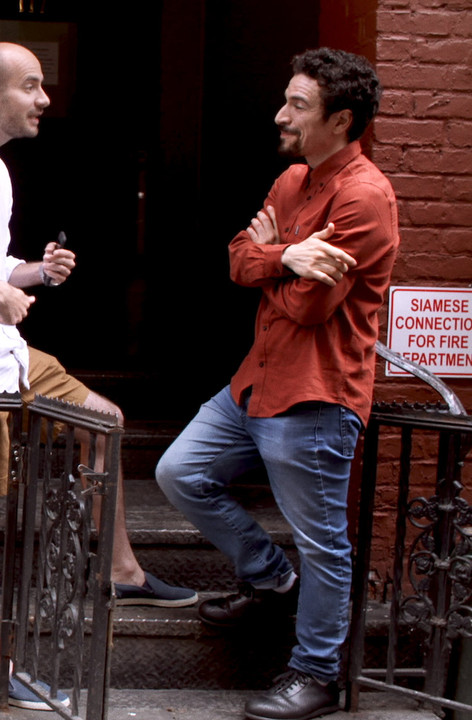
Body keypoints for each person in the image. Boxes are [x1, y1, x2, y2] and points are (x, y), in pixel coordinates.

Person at [0, 41, 196, 711]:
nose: (46, 99)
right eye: (32, 86)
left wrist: (29, 273)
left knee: (104, 421)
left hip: (2, 348)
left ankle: (121, 571)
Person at [155, 48, 398, 720]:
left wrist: (273, 270)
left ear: (342, 119)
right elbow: (236, 260)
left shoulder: (365, 198)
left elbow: (311, 307)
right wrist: (285, 256)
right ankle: (270, 578)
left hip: (316, 397)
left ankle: (314, 674)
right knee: (180, 472)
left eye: (298, 105)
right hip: (254, 384)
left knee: (324, 540)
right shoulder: (293, 180)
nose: (280, 115)